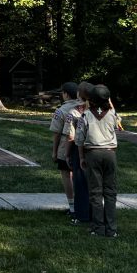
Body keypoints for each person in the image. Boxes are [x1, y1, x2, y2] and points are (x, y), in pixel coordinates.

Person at [78, 84, 120, 238]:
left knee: (96, 192)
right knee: (110, 192)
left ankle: (98, 227)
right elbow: (117, 125)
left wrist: (81, 157)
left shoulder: (86, 115)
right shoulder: (112, 114)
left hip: (93, 153)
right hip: (110, 154)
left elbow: (79, 139)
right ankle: (111, 229)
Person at [50, 82, 81, 218]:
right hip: (82, 146)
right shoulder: (83, 107)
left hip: (65, 145)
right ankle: (82, 204)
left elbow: (57, 133)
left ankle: (72, 206)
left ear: (66, 94)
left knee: (66, 176)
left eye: (62, 93)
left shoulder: (61, 110)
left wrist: (54, 151)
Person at [69, 82, 94, 227]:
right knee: (94, 184)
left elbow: (75, 137)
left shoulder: (78, 110)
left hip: (81, 149)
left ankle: (82, 214)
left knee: (80, 184)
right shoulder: (102, 109)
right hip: (98, 149)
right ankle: (96, 214)